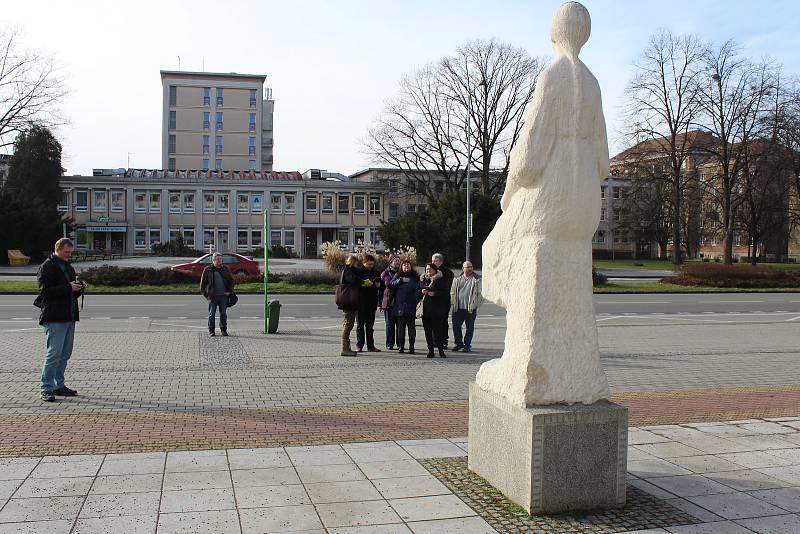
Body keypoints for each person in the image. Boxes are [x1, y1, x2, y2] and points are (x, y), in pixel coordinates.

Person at [36, 238, 84, 402]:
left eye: (70, 253)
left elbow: (70, 291)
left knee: (65, 354)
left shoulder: (68, 267)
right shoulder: (47, 267)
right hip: (54, 317)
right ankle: (46, 388)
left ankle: (58, 385)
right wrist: (69, 287)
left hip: (69, 316)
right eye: (66, 252)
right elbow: (45, 292)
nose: (68, 255)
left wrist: (78, 288)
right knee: (54, 354)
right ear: (57, 249)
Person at [450, 260, 483, 352]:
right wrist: (453, 303)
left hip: (470, 309)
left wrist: (476, 305)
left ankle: (467, 345)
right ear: (463, 268)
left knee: (470, 328)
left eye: (471, 267)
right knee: (456, 327)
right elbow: (452, 292)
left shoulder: (477, 280)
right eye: (467, 267)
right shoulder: (457, 280)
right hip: (457, 308)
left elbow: (481, 294)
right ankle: (458, 343)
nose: (470, 268)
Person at [389, 260, 420, 354]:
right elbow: (390, 285)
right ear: (401, 267)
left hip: (411, 305)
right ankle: (401, 346)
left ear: (411, 266)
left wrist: (416, 300)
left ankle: (411, 347)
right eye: (404, 265)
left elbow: (419, 289)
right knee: (400, 328)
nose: (406, 266)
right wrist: (400, 280)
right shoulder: (398, 276)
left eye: (408, 265)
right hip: (399, 306)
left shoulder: (415, 277)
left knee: (411, 327)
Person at [200, 252, 234, 337]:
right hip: (213, 296)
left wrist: (229, 291)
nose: (219, 261)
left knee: (223, 313)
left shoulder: (225, 268)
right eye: (218, 259)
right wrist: (207, 296)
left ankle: (223, 329)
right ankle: (211, 330)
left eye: (220, 259)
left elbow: (231, 281)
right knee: (212, 314)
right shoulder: (208, 269)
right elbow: (202, 285)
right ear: (213, 260)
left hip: (223, 296)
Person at [420, 263, 448, 358]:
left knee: (438, 332)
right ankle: (430, 350)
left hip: (437, 310)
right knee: (427, 332)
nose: (428, 271)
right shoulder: (423, 279)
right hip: (425, 310)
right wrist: (421, 292)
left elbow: (445, 293)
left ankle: (441, 351)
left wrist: (435, 293)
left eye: (430, 269)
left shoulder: (440, 279)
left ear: (435, 270)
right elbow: (416, 292)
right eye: (427, 269)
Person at [355, 254, 382, 352]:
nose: (371, 266)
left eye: (372, 264)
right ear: (364, 263)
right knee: (360, 325)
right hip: (360, 302)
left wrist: (378, 285)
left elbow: (381, 286)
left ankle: (371, 346)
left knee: (370, 326)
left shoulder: (376, 272)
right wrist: (363, 284)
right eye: (369, 264)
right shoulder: (358, 272)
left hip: (371, 302)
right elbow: (355, 285)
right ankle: (359, 345)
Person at [338, 254, 362, 356]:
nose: (358, 265)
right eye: (356, 263)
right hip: (348, 302)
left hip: (349, 302)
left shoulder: (350, 271)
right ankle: (345, 348)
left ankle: (347, 347)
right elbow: (354, 280)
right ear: (352, 262)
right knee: (348, 324)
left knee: (348, 323)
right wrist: (363, 282)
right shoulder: (348, 271)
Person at [431, 253, 454, 348]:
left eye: (434, 261)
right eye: (432, 261)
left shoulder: (448, 272)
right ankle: (434, 341)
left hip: (443, 300)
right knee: (432, 321)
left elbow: (448, 287)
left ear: (440, 261)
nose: (432, 263)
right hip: (432, 300)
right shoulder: (431, 270)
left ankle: (443, 340)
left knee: (443, 321)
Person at [379, 256, 400, 350]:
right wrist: (379, 303)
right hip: (388, 301)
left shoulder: (402, 273)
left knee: (400, 324)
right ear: (390, 262)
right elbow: (380, 289)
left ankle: (400, 344)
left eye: (399, 261)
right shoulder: (385, 273)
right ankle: (389, 344)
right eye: (395, 261)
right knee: (389, 324)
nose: (397, 263)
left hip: (399, 302)